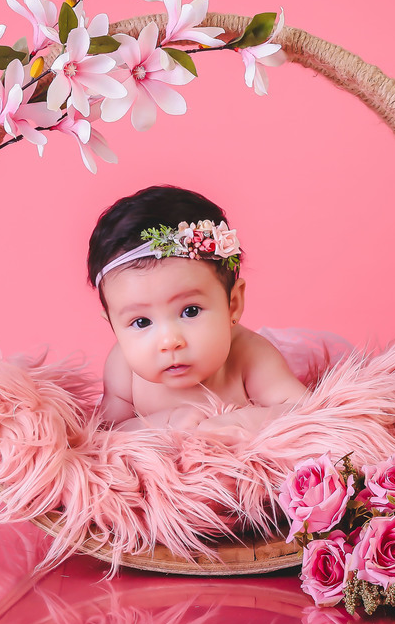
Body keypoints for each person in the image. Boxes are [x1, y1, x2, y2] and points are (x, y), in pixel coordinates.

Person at [88, 185, 308, 436]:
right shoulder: (122, 368)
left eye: (190, 311)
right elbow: (105, 434)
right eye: (141, 322)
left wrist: (239, 422)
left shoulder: (249, 355)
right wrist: (165, 422)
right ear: (113, 326)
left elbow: (302, 408)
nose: (170, 342)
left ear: (233, 304)